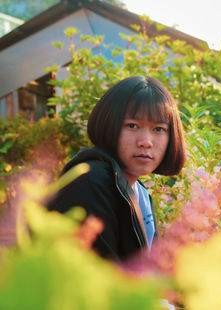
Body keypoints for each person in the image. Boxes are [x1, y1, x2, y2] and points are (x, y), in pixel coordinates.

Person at [47, 75, 185, 261]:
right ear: (109, 124)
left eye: (158, 129)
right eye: (132, 125)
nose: (145, 142)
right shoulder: (91, 182)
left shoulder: (139, 192)